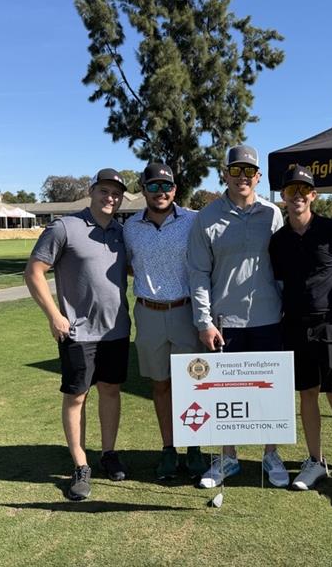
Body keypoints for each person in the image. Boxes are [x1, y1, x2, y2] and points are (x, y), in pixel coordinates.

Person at [24, 168, 130, 501]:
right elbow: (34, 272)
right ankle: (81, 464)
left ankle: (108, 453)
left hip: (117, 329)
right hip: (77, 331)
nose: (110, 198)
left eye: (116, 193)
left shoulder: (121, 232)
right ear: (92, 191)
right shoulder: (64, 227)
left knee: (111, 391)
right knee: (77, 397)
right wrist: (54, 315)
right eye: (104, 191)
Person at [187, 144, 289, 490]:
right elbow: (198, 272)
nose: (242, 177)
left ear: (258, 177)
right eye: (235, 171)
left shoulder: (272, 214)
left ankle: (270, 453)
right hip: (225, 322)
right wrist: (204, 321)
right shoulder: (207, 217)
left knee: (269, 394)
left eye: (249, 172)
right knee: (226, 395)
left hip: (268, 317)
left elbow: (280, 268)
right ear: (225, 174)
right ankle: (228, 457)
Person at [268, 165, 332, 509]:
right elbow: (280, 285)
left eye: (303, 191)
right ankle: (315, 461)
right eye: (290, 191)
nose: (297, 196)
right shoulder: (278, 241)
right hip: (295, 326)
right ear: (283, 197)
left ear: (314, 195)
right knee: (306, 395)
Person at [123, 163, 207, 480]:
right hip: (148, 312)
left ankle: (195, 448)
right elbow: (131, 266)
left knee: (194, 384)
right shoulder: (130, 227)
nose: (161, 192)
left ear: (175, 189)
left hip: (186, 311)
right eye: (154, 186)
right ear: (143, 189)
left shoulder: (194, 220)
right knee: (160, 385)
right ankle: (169, 448)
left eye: (166, 186)